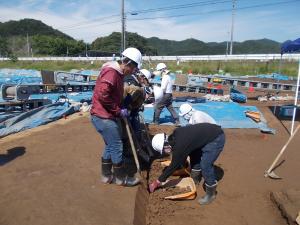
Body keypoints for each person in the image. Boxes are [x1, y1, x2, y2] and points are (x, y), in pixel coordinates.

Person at [90, 47, 142, 187]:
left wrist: (121, 106)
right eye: (133, 69)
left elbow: (111, 94)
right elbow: (103, 95)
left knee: (110, 145)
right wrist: (118, 111)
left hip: (106, 114)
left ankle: (106, 175)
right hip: (103, 116)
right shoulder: (111, 73)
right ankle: (121, 178)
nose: (132, 72)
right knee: (116, 145)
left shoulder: (118, 73)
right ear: (127, 63)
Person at [149, 123, 225, 205]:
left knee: (205, 165)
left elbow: (173, 166)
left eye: (163, 150)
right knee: (193, 153)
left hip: (215, 138)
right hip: (207, 134)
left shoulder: (180, 146)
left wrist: (157, 181)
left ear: (166, 145)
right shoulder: (175, 135)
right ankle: (195, 179)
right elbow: (184, 153)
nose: (165, 152)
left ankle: (211, 194)